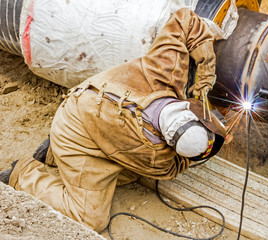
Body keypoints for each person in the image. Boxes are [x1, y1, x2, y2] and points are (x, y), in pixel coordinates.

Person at [0, 8, 225, 233]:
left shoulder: (165, 72)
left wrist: (205, 68)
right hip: (77, 137)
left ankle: (54, 154)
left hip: (82, 104)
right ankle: (23, 174)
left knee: (128, 173)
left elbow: (185, 18)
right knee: (90, 219)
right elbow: (173, 168)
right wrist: (197, 151)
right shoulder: (156, 155)